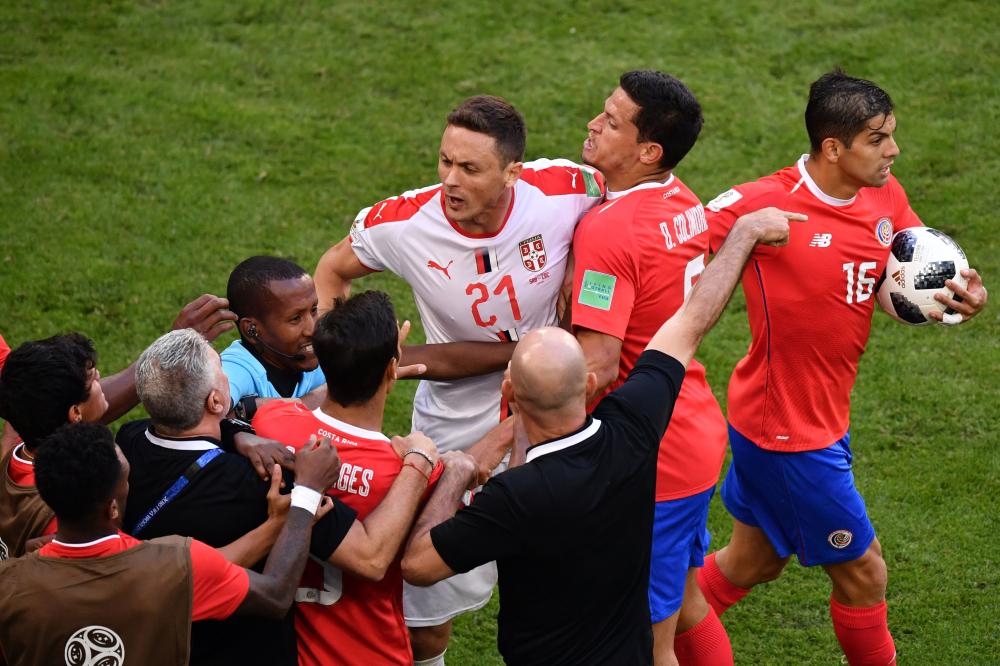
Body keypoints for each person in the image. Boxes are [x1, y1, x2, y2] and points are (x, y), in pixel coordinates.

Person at [401, 207, 804, 665]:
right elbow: (690, 323)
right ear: (589, 385)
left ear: (509, 391)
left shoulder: (513, 499)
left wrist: (452, 471)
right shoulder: (632, 430)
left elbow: (418, 566)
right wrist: (743, 236)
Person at [697, 70, 988, 666]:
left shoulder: (883, 193)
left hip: (813, 416)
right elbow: (671, 244)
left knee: (751, 562)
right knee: (864, 572)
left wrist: (957, 298)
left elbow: (905, 273)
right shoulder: (763, 204)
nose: (894, 151)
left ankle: (640, 626)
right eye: (879, 139)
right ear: (834, 148)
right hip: (788, 432)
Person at [314, 94, 605, 662]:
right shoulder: (403, 223)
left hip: (553, 413)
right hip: (455, 426)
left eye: (469, 168)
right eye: (444, 161)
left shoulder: (565, 188)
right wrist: (332, 369)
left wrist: (578, 264)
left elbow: (619, 201)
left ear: (512, 172)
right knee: (426, 612)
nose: (450, 179)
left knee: (570, 586)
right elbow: (332, 269)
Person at [117, 327, 442, 665]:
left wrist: (237, 431)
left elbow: (238, 412)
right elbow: (370, 557)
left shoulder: (129, 441)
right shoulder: (261, 482)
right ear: (215, 401)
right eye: (223, 374)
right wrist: (420, 461)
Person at [572, 70, 731, 665]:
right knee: (688, 603)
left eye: (611, 121)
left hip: (652, 460)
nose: (593, 123)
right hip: (692, 430)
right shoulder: (681, 198)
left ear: (648, 151)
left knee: (644, 636)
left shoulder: (609, 230)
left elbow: (599, 364)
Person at [253, 290, 480, 665]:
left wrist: (365, 361)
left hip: (291, 648)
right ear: (393, 370)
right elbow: (464, 482)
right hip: (373, 653)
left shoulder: (271, 424)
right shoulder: (410, 472)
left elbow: (293, 408)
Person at [0, 421, 342, 666]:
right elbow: (275, 594)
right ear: (114, 506)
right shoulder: (174, 565)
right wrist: (307, 494)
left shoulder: (10, 584)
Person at [0, 295, 236, 560]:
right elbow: (133, 571)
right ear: (76, 412)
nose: (101, 377)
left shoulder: (19, 451)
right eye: (93, 380)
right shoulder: (72, 509)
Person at [223, 256, 327, 415]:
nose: (312, 330)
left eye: (313, 310)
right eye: (295, 318)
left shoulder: (315, 355)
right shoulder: (236, 368)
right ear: (252, 330)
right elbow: (202, 412)